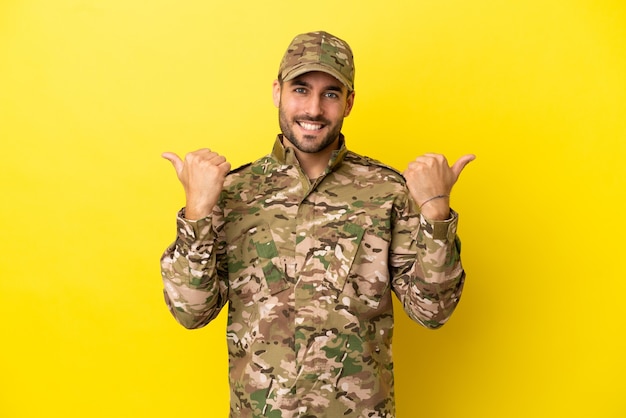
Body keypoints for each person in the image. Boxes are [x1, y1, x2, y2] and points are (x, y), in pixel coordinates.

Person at [160, 30, 474, 418]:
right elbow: (191, 313)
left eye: (330, 93)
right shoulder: (233, 192)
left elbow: (433, 312)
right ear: (277, 91)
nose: (313, 109)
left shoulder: (389, 190)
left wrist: (437, 213)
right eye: (301, 89)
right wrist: (197, 211)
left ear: (349, 102)